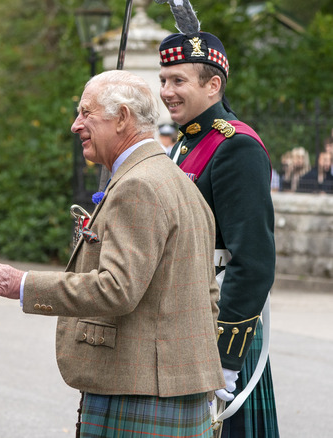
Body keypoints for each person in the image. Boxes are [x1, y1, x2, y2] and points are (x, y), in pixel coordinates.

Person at [0, 70, 224, 437]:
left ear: (122, 118)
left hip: (138, 392)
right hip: (174, 387)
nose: (75, 125)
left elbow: (116, 289)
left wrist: (23, 284)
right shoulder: (176, 180)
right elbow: (209, 295)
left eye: (86, 113)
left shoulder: (138, 185)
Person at [158, 22, 279, 437]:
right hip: (187, 320)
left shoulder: (235, 145)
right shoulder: (185, 142)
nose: (167, 91)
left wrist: (225, 360)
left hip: (219, 334)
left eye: (178, 80)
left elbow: (252, 261)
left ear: (213, 86)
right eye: (163, 80)